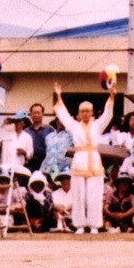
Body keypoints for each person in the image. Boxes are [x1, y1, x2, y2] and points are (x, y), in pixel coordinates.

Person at [53, 81, 116, 234]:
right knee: (79, 195)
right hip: (80, 160)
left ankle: (94, 225)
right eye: (83, 111)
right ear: (79, 114)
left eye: (88, 111)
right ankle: (80, 225)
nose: (86, 113)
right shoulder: (74, 126)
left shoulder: (98, 125)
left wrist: (112, 96)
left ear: (92, 112)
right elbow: (63, 115)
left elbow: (108, 114)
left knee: (94, 195)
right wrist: (59, 96)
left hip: (94, 161)